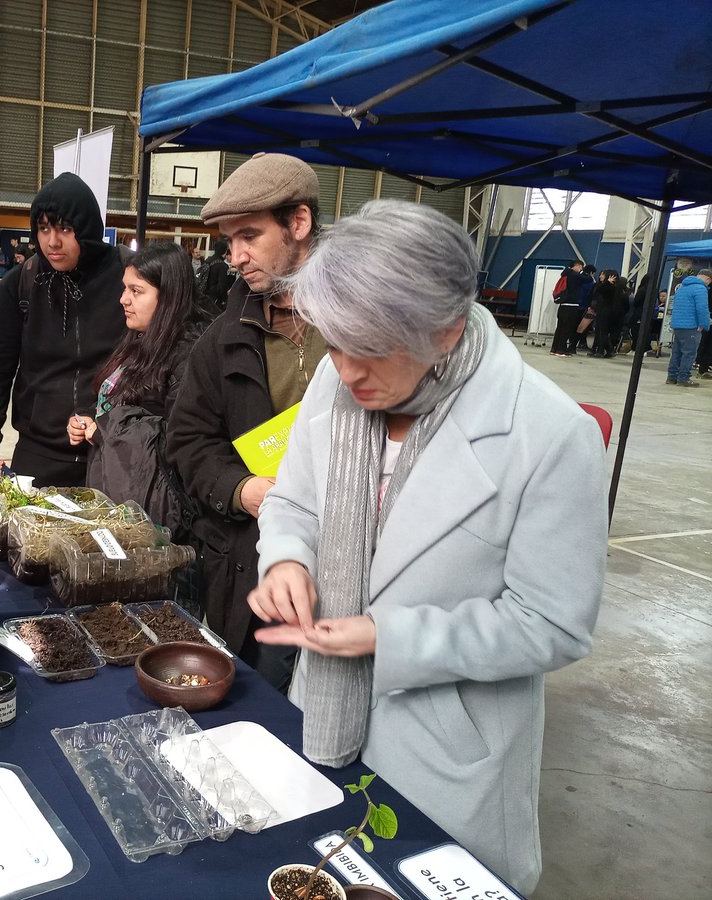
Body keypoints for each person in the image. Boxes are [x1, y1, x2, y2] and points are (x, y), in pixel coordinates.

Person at [247, 200, 606, 894]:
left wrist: (390, 635)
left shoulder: (549, 435)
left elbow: (552, 623)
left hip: (446, 752)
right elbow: (292, 499)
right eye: (336, 343)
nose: (346, 371)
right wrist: (288, 555)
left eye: (371, 347)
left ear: (443, 331)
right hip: (321, 709)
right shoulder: (340, 378)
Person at [167, 152, 327, 689]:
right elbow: (187, 438)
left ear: (299, 223)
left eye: (249, 237)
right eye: (228, 241)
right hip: (254, 565)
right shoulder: (223, 336)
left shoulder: (362, 322)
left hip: (353, 564)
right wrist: (242, 490)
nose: (234, 256)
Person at [0, 172, 127, 486]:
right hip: (38, 453)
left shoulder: (127, 277)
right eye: (43, 228)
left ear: (86, 228)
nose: (52, 241)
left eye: (65, 228)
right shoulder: (22, 282)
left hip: (113, 451)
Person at [67, 242, 205, 533]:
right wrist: (91, 421)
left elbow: (182, 441)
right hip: (116, 499)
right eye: (124, 288)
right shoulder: (140, 339)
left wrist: (104, 432)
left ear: (169, 296)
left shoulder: (188, 353)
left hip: (151, 518)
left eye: (136, 291)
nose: (123, 300)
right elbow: (121, 404)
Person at [665, 268, 711, 386]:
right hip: (692, 326)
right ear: (707, 278)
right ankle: (684, 378)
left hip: (678, 325)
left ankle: (671, 377)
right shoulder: (700, 289)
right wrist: (703, 324)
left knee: (676, 352)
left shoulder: (682, 287)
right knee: (689, 353)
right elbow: (702, 309)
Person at [549, 260, 592, 356]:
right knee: (567, 328)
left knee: (560, 328)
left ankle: (554, 348)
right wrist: (582, 272)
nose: (581, 269)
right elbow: (588, 279)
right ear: (577, 266)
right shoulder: (574, 275)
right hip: (571, 306)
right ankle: (561, 350)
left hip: (563, 305)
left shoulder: (565, 274)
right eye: (581, 267)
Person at [588, 269, 626, 358]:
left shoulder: (611, 287)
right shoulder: (612, 287)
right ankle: (608, 351)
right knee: (601, 332)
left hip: (605, 312)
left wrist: (607, 283)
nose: (601, 276)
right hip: (604, 312)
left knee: (602, 332)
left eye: (603, 275)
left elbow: (599, 290)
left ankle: (602, 351)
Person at [200, 238, 233, 311]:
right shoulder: (223, 266)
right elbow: (222, 287)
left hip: (203, 298)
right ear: (225, 251)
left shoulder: (207, 261)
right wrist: (224, 299)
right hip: (215, 301)